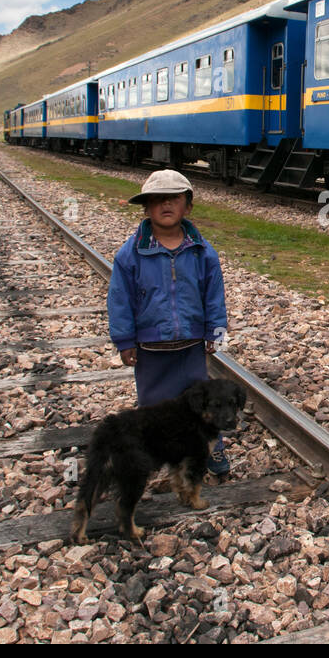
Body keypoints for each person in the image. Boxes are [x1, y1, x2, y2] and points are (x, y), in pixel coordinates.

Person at [107, 169, 231, 474]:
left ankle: (211, 449)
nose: (166, 205)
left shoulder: (202, 252)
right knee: (153, 405)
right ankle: (154, 454)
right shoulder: (131, 254)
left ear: (187, 207)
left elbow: (213, 294)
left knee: (203, 404)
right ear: (146, 208)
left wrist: (215, 331)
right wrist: (124, 340)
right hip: (151, 347)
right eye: (157, 200)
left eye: (174, 199)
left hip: (190, 345)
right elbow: (120, 299)